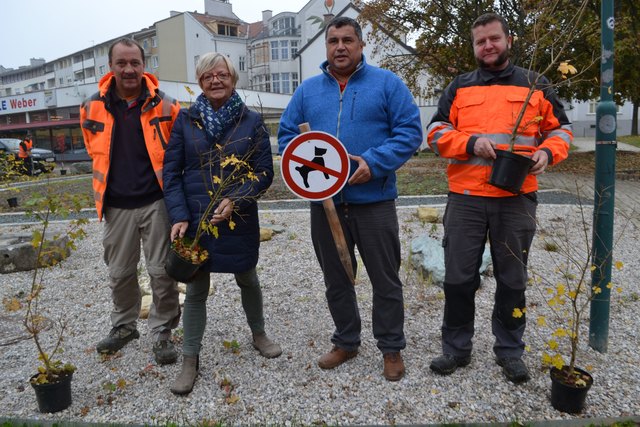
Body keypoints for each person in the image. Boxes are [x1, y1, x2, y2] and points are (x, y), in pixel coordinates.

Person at [427, 12, 572, 383]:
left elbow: (562, 130)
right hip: (466, 198)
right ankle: (456, 349)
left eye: (494, 38)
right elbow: (436, 133)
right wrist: (471, 142)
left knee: (513, 279)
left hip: (517, 197)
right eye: (480, 41)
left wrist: (548, 153)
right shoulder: (459, 87)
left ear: (508, 40)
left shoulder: (535, 84)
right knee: (459, 278)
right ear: (474, 47)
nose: (487, 46)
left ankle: (510, 351)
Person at [278, 16, 423, 382]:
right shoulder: (307, 92)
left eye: (347, 40)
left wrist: (373, 163)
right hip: (326, 205)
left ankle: (391, 347)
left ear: (360, 46)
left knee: (385, 278)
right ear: (326, 48)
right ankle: (346, 340)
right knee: (336, 277)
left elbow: (409, 133)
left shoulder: (387, 84)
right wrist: (311, 171)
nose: (339, 46)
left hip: (373, 200)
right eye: (332, 41)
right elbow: (286, 138)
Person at [163, 53, 281, 395]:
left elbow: (264, 171)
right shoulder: (186, 121)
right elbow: (171, 174)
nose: (216, 81)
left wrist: (238, 199)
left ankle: (258, 334)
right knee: (196, 288)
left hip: (238, 216)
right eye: (208, 76)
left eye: (222, 75)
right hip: (199, 219)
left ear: (233, 78)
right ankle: (190, 358)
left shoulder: (251, 121)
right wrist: (180, 215)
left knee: (247, 276)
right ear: (200, 82)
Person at [79, 38, 181, 365]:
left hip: (157, 202)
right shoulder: (91, 107)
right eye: (121, 63)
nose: (128, 69)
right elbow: (96, 154)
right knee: (120, 272)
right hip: (116, 205)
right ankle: (124, 326)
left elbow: (178, 154)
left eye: (135, 63)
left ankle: (162, 332)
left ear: (144, 66)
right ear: (110, 67)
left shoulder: (167, 105)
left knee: (162, 272)